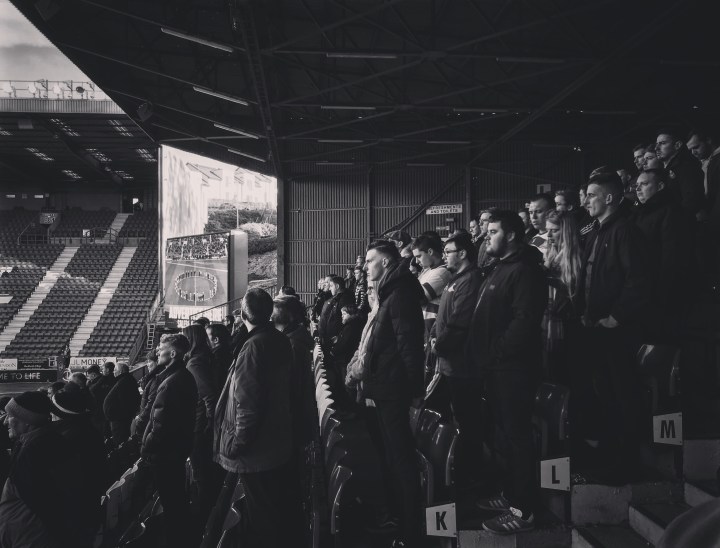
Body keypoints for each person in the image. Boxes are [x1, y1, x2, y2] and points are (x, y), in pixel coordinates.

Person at [469, 211, 546, 535]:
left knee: (517, 438)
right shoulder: (500, 269)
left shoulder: (525, 271)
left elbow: (524, 321)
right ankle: (511, 494)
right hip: (497, 369)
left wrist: (497, 351)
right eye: (487, 232)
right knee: (504, 436)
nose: (488, 237)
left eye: (494, 231)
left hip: (513, 369)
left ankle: (524, 510)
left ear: (512, 234)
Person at [574, 171, 651, 482]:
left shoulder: (625, 231)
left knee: (623, 393)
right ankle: (610, 454)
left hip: (618, 330)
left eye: (591, 195)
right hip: (597, 328)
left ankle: (628, 461)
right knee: (605, 392)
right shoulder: (598, 231)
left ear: (608, 198)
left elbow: (639, 280)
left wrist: (615, 316)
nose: (586, 201)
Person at [214, 288, 301, 548]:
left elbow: (247, 404)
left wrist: (237, 443)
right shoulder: (279, 339)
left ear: (242, 314)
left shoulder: (253, 347)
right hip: (276, 440)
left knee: (262, 518)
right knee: (268, 512)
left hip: (257, 450)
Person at [363, 240, 425, 547]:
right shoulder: (390, 291)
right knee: (392, 456)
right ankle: (400, 521)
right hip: (386, 386)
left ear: (385, 262)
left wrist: (415, 390)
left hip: (395, 389)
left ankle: (411, 531)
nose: (365, 267)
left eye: (370, 261)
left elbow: (409, 346)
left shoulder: (400, 294)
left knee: (401, 459)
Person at [431, 233, 485, 489]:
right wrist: (434, 337)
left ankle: (471, 477)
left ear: (463, 253)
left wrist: (439, 344)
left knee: (467, 421)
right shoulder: (455, 280)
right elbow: (444, 318)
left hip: (462, 366)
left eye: (449, 251)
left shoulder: (471, 280)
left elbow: (460, 323)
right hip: (448, 365)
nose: (444, 256)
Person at [141, 334, 198, 548]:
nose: (157, 351)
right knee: (176, 500)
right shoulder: (180, 376)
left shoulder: (172, 382)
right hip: (175, 450)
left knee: (172, 502)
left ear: (173, 353)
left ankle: (178, 540)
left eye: (161, 348)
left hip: (166, 454)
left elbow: (161, 426)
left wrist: (147, 449)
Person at [0, 392, 76, 547]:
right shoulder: (47, 440)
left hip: (29, 538)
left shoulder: (33, 451)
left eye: (10, 416)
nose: (5, 422)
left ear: (27, 421)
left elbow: (42, 507)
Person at [631, 168, 693, 330]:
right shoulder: (640, 212)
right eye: (636, 185)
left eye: (644, 184)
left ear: (660, 186)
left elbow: (671, 259)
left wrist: (660, 297)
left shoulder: (671, 212)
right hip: (643, 292)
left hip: (660, 296)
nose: (637, 189)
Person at [50, 388, 107, 547]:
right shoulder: (87, 430)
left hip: (76, 514)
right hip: (88, 509)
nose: (51, 416)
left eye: (54, 412)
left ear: (62, 413)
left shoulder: (69, 438)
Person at [182, 323, 222, 525]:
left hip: (199, 427)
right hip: (201, 425)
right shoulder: (203, 358)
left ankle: (204, 519)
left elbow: (209, 397)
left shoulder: (195, 364)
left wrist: (208, 424)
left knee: (201, 474)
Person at [543, 210, 582, 383]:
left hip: (569, 325)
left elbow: (575, 296)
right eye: (548, 230)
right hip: (548, 321)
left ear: (566, 231)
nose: (549, 235)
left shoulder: (576, 257)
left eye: (555, 230)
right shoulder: (549, 255)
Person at [655, 128, 706, 219]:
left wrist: (672, 220)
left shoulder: (686, 167)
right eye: (656, 144)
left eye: (663, 143)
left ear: (677, 145)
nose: (656, 148)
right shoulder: (665, 170)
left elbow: (692, 202)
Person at [103, 363, 140, 446]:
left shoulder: (125, 381)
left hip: (120, 421)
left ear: (120, 371)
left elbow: (125, 403)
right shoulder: (125, 379)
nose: (114, 372)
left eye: (115, 370)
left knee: (120, 443)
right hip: (119, 419)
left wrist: (118, 415)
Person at [132, 350, 165, 439]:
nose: (147, 364)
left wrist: (140, 420)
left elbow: (151, 403)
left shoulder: (156, 379)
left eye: (149, 361)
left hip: (149, 422)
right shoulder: (154, 377)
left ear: (157, 362)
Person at [317, 275, 354, 352]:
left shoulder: (344, 299)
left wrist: (339, 338)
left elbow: (345, 321)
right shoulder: (336, 298)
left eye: (331, 286)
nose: (329, 288)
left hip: (335, 341)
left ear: (337, 286)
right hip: (330, 339)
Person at [90, 361, 117, 438]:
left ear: (108, 370)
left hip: (103, 408)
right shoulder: (116, 379)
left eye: (103, 368)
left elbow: (92, 389)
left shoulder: (104, 379)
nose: (102, 370)